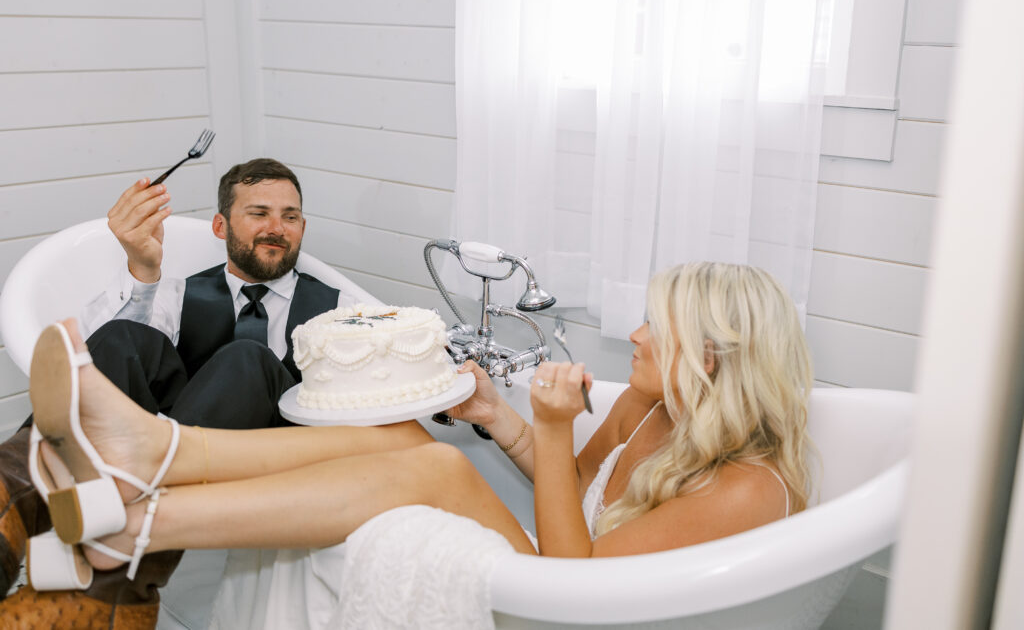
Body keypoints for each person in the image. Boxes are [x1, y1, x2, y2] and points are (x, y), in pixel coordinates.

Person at [20, 263, 813, 624]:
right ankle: (156, 450)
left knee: (431, 465)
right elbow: (574, 482)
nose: (635, 335)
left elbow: (582, 583)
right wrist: (502, 416)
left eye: (656, 326)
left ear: (710, 357)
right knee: (391, 429)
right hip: (566, 568)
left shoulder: (751, 486)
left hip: (579, 609)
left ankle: (138, 523)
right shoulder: (654, 401)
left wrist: (549, 420)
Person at [0, 158, 363, 625]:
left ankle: (116, 558)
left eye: (289, 217)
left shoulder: (341, 308)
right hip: (159, 441)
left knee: (246, 358)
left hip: (269, 454)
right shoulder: (177, 291)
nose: (277, 228)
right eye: (259, 213)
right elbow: (100, 363)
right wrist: (141, 267)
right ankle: (18, 498)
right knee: (121, 337)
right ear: (219, 225)